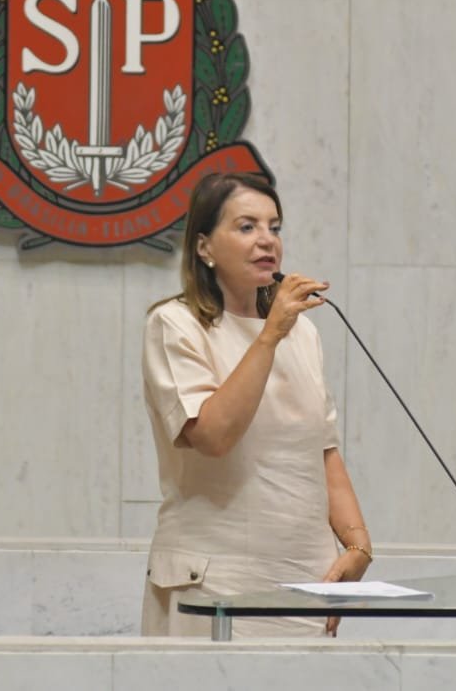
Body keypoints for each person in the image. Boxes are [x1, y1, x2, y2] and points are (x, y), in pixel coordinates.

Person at [140, 172, 372, 637]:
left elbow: (322, 451)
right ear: (204, 247)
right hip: (213, 585)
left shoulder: (302, 332)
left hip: (305, 580)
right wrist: (269, 335)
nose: (267, 241)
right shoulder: (176, 325)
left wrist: (357, 546)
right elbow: (213, 435)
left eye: (275, 227)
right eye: (247, 227)